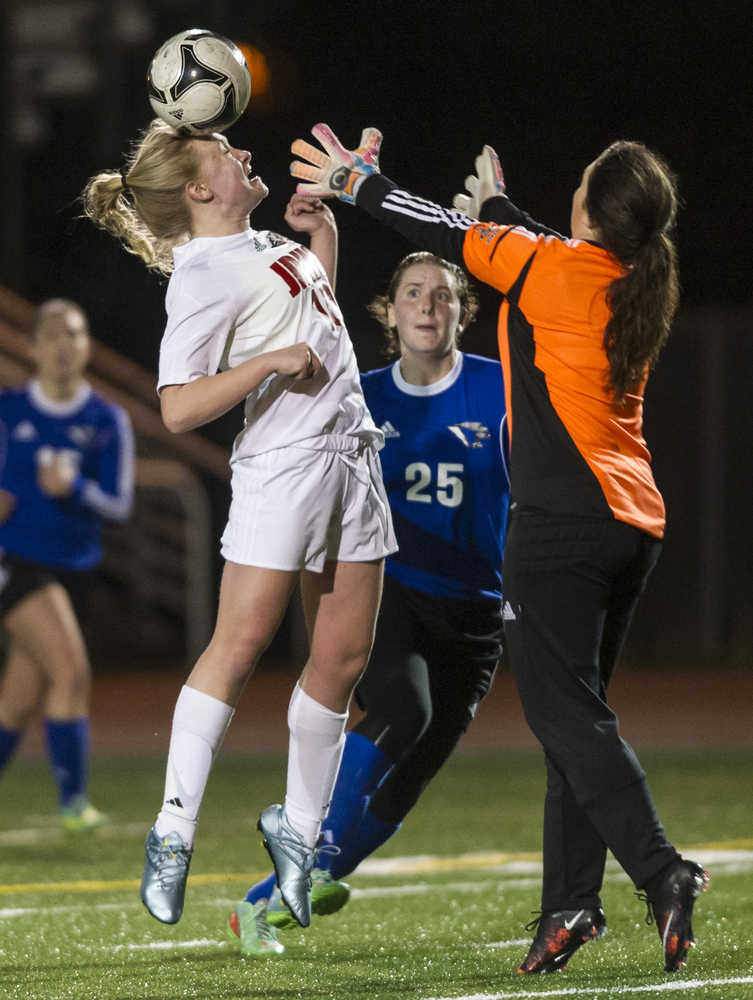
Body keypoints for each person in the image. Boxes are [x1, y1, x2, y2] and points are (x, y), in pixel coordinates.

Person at [289, 126, 710, 975]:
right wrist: (500, 210)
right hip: (632, 523)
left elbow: (446, 237)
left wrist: (355, 182)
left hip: (562, 527)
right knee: (574, 724)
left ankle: (661, 871)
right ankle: (568, 907)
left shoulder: (555, 269)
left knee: (567, 719)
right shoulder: (628, 276)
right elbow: (532, 248)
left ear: (591, 209)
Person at [81, 120, 395, 930]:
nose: (244, 152)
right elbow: (178, 406)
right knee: (242, 642)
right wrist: (261, 366)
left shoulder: (262, 245)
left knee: (343, 657)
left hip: (350, 459)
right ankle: (172, 832)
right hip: (283, 468)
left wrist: (322, 238)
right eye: (225, 152)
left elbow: (311, 332)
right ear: (196, 190)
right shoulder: (201, 273)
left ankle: (297, 830)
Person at [230, 250, 510, 957]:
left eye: (442, 296)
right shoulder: (362, 394)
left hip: (478, 612)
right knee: (401, 709)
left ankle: (256, 907)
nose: (426, 306)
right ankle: (314, 847)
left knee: (402, 789)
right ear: (388, 311)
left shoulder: (501, 390)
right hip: (390, 590)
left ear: (460, 312)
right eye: (411, 292)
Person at [0, 298, 134, 830]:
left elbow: (119, 505)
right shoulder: (9, 410)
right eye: (52, 335)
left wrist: (74, 487)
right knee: (71, 670)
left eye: (73, 334)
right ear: (31, 346)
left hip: (76, 570)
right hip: (16, 564)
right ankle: (75, 805)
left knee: (16, 701)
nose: (63, 345)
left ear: (87, 346)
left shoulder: (107, 418)